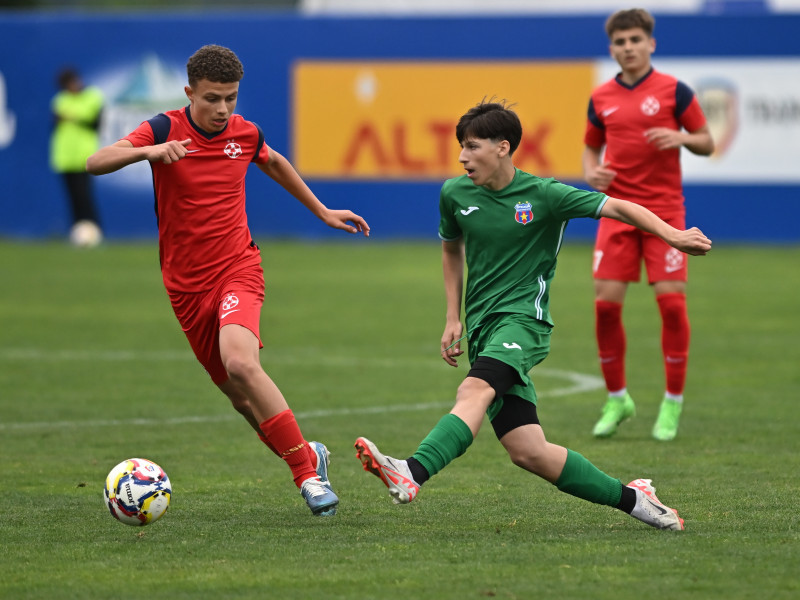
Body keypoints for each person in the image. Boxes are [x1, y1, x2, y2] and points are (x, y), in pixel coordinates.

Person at [354, 100, 711, 530]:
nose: (463, 157)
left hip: (524, 323)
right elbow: (452, 249)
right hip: (486, 329)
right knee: (529, 451)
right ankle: (638, 501)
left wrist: (672, 234)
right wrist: (453, 315)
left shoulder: (546, 195)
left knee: (473, 391)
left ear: (503, 147)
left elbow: (618, 207)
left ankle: (412, 472)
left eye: (472, 147)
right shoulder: (454, 193)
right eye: (460, 148)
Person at [86, 44, 370, 516]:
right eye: (212, 98)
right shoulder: (163, 128)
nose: (222, 109)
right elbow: (96, 162)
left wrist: (321, 211)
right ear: (189, 93)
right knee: (241, 400)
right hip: (185, 287)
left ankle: (306, 478)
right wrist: (151, 152)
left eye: (230, 99)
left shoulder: (245, 133)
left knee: (240, 364)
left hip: (238, 267)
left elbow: (273, 160)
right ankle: (308, 456)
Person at [582, 8, 714, 441]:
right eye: (620, 42)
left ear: (651, 44)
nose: (628, 48)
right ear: (612, 49)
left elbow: (707, 142)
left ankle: (672, 404)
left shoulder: (675, 92)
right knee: (605, 308)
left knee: (672, 306)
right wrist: (591, 173)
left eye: (635, 40)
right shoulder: (600, 97)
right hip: (617, 211)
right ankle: (617, 398)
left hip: (666, 215)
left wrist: (681, 138)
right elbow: (590, 150)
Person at [50, 67, 105, 247]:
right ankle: (78, 234)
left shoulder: (92, 97)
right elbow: (56, 123)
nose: (70, 87)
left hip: (85, 157)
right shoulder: (60, 99)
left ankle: (95, 233)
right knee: (73, 198)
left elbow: (95, 123)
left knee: (85, 197)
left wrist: (71, 116)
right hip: (65, 156)